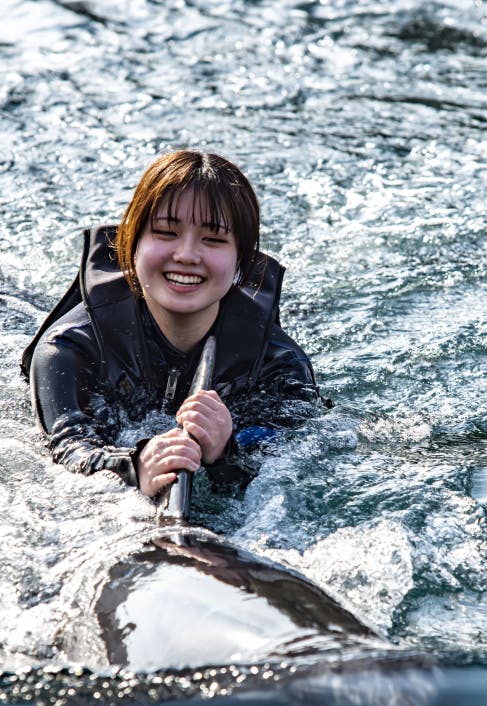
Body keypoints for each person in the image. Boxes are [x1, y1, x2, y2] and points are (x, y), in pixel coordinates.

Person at [22, 150, 325, 499]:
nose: (186, 255)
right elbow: (68, 452)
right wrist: (134, 468)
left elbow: (293, 469)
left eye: (213, 239)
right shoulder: (68, 349)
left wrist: (227, 452)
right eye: (166, 232)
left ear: (242, 262)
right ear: (131, 245)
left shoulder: (279, 366)